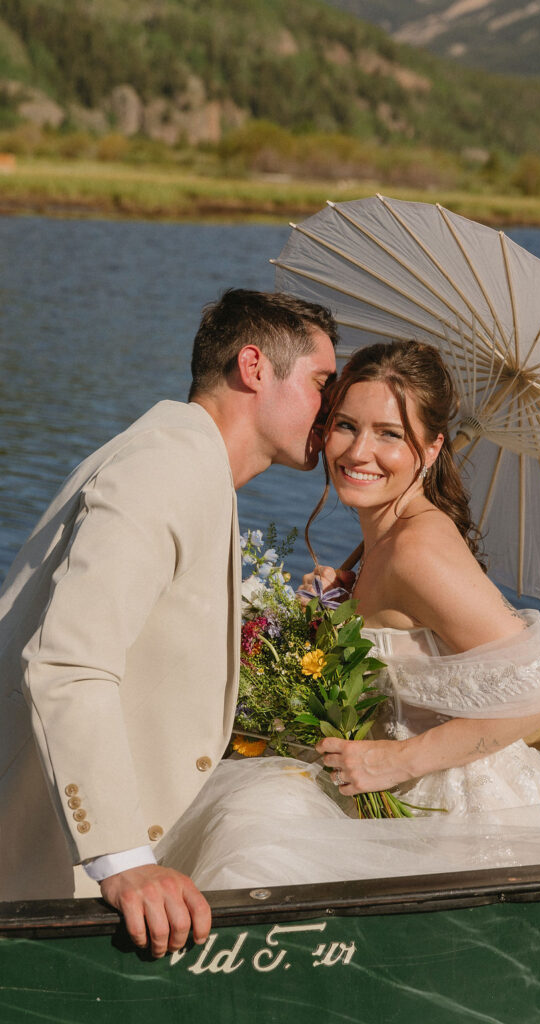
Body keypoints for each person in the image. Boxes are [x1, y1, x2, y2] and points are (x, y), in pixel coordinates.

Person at [159, 339, 540, 891]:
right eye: (346, 425)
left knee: (250, 836)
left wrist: (396, 762)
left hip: (457, 823)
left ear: (430, 450)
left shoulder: (417, 550)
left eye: (389, 434)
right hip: (392, 794)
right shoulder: (387, 537)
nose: (359, 452)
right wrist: (348, 599)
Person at [0, 289, 338, 955]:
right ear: (253, 366)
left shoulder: (185, 459)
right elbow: (67, 663)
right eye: (322, 383)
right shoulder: (168, 465)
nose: (331, 410)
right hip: (33, 860)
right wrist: (123, 862)